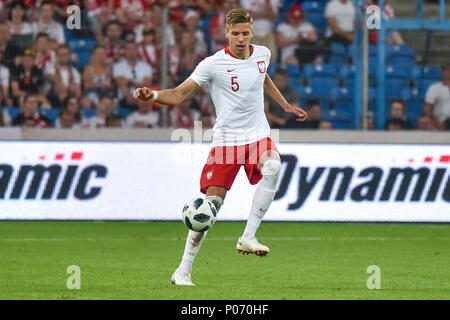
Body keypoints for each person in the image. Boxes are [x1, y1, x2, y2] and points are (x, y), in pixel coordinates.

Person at [134, 8, 308, 286]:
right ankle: (183, 270)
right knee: (210, 208)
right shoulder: (212, 64)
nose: (241, 38)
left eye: (246, 33)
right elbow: (178, 94)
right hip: (226, 142)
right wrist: (152, 94)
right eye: (236, 34)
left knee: (273, 165)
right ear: (226, 33)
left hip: (257, 136)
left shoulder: (263, 54)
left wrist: (284, 104)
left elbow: (262, 76)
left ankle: (248, 236)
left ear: (252, 33)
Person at [113, 41, 152, 109]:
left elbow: (146, 84)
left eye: (134, 49)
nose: (131, 51)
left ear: (137, 51)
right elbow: (122, 84)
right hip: (125, 98)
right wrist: (129, 97)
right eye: (129, 49)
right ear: (125, 51)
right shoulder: (118, 66)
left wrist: (129, 83)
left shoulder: (146, 67)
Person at [423, 62, 450, 131]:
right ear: (444, 71)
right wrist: (435, 122)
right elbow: (427, 109)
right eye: (448, 70)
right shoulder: (434, 88)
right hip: (441, 122)